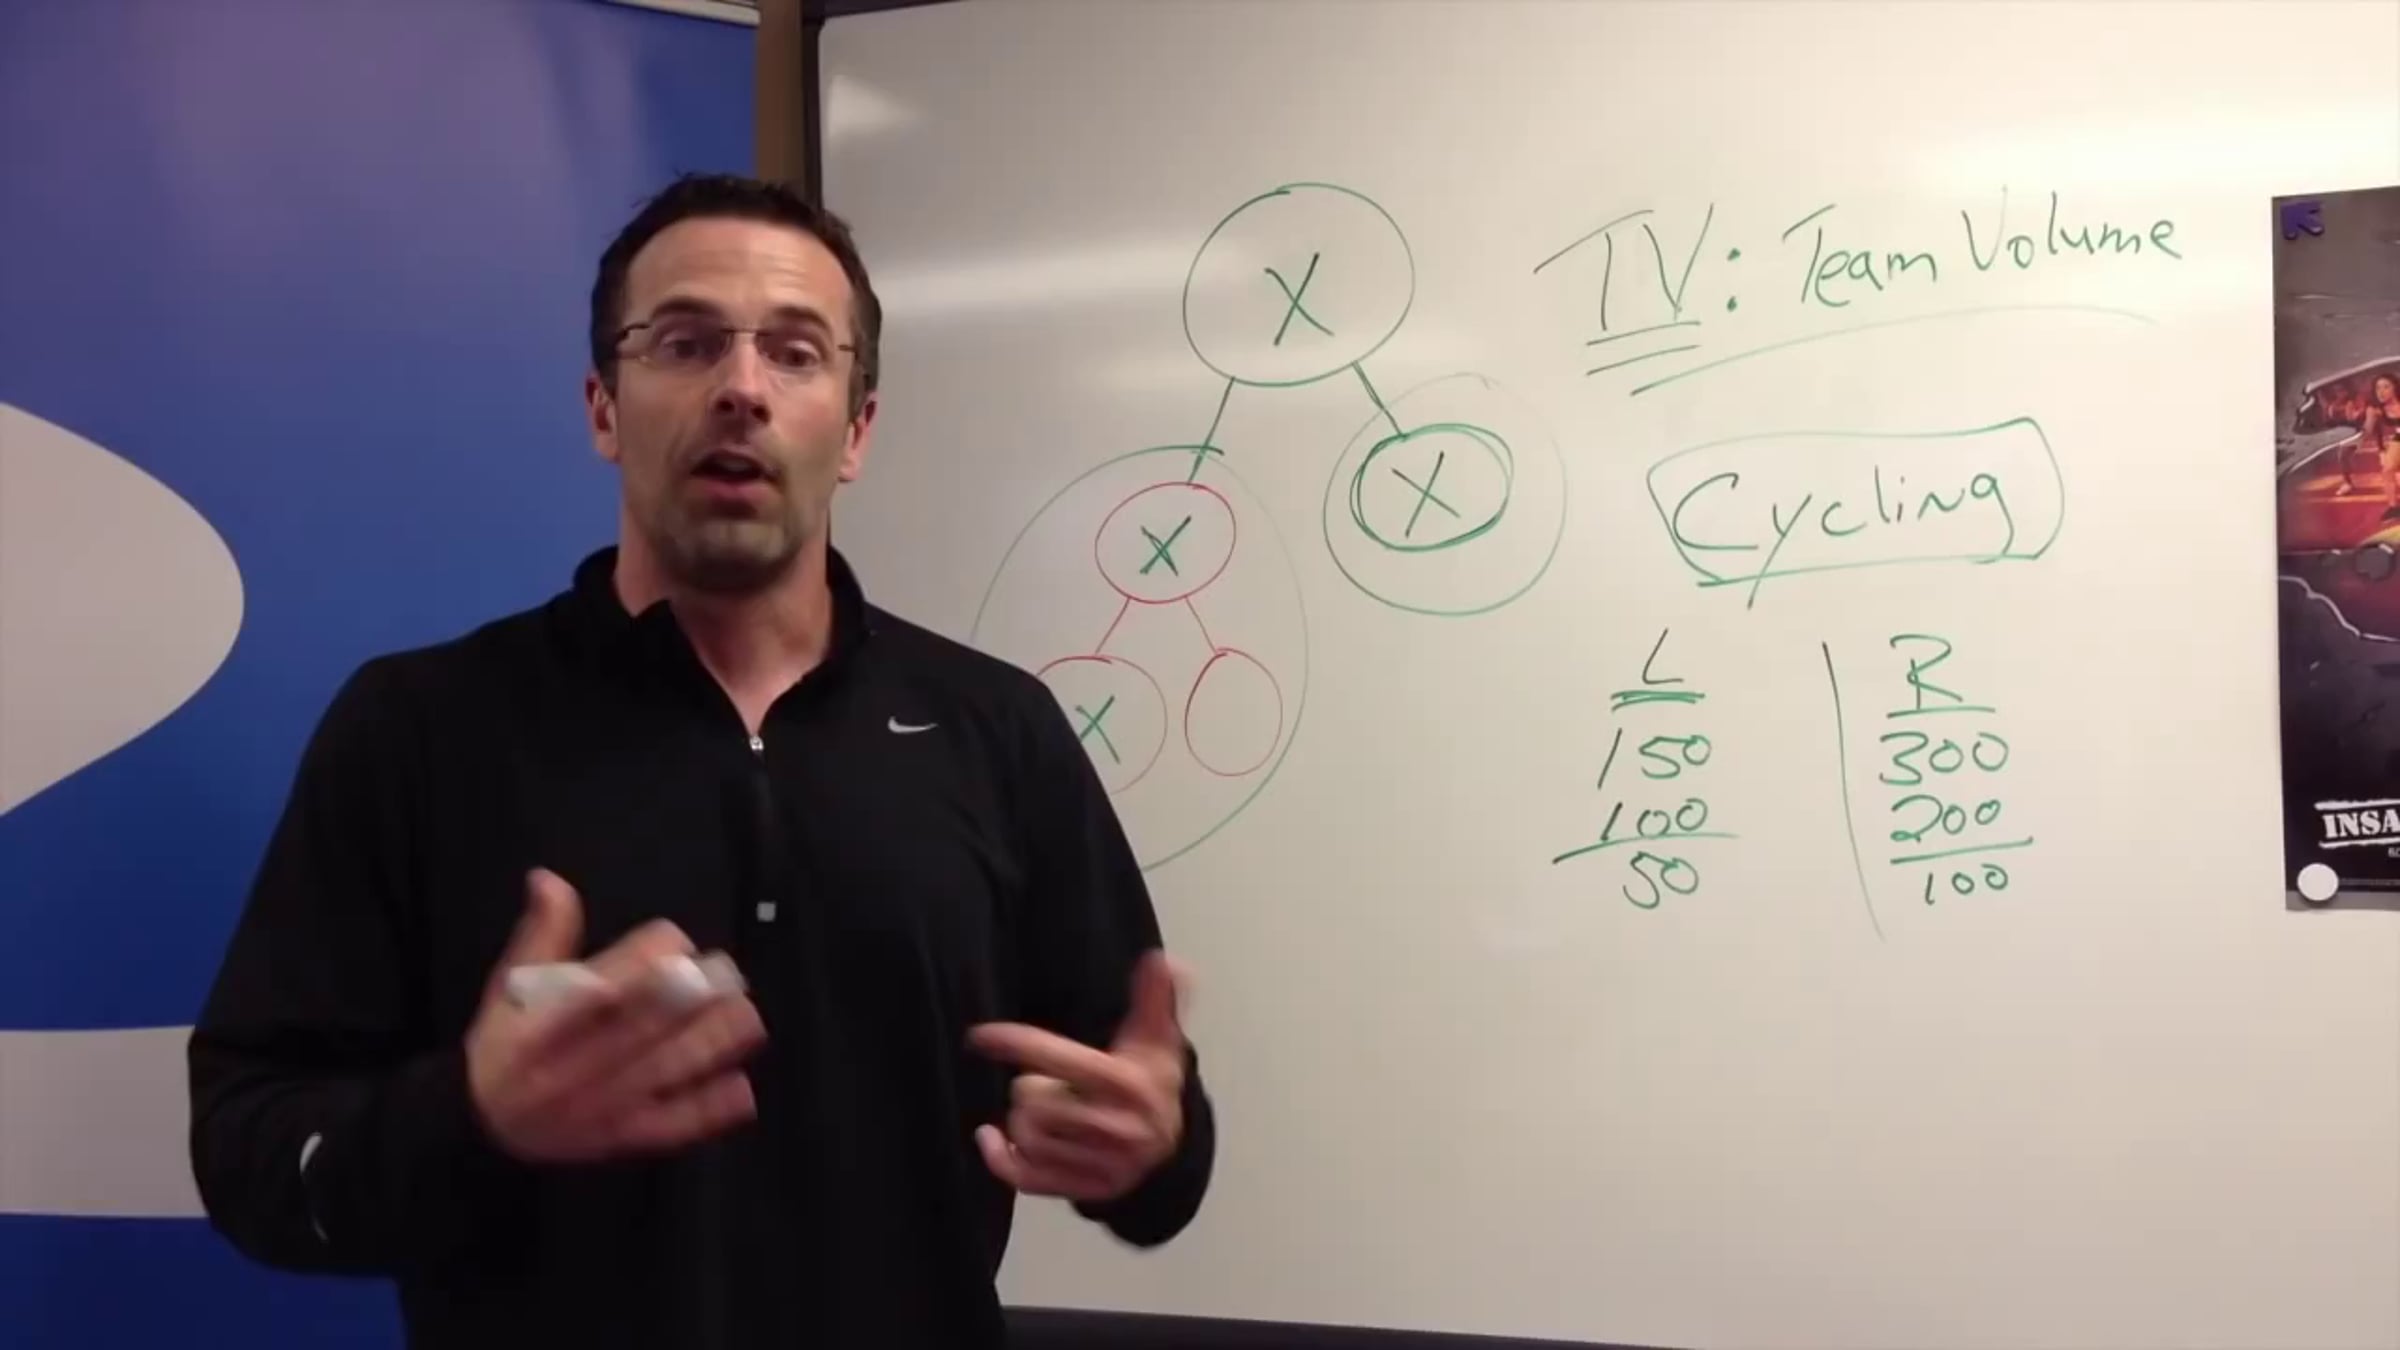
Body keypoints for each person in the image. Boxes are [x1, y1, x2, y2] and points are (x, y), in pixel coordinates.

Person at [185, 172, 1214, 1349]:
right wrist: (470, 1116)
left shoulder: (998, 731)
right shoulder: (417, 726)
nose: (741, 388)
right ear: (604, 408)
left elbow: (1160, 1149)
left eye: (795, 352)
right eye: (685, 343)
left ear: (857, 430)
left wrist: (1154, 1147)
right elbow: (248, 1154)